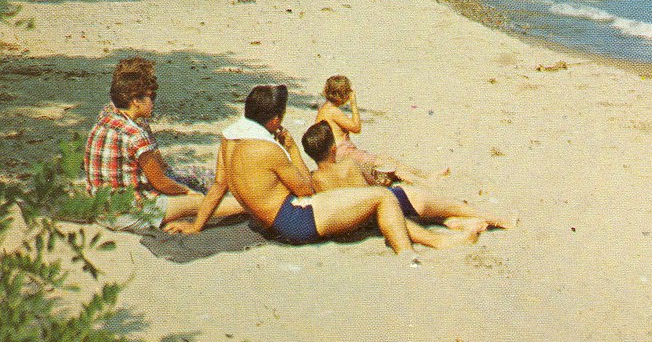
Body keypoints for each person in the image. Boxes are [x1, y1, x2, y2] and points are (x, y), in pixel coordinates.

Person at [165, 85, 479, 253]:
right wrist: (290, 149)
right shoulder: (268, 149)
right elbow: (304, 189)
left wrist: (197, 225)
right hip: (296, 220)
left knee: (363, 200)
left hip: (276, 215)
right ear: (273, 120)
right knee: (379, 198)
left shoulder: (230, 139)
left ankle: (443, 223)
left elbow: (219, 186)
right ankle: (427, 246)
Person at [83, 57, 245, 230]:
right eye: (151, 96)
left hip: (101, 206)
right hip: (128, 213)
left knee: (199, 184)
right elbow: (160, 181)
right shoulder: (135, 135)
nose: (154, 102)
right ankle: (250, 206)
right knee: (199, 203)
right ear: (136, 101)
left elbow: (157, 166)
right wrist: (186, 192)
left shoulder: (108, 114)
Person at [302, 121, 512, 233]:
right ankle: (498, 220)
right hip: (389, 204)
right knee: (452, 205)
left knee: (430, 212)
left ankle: (451, 222)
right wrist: (381, 181)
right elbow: (368, 194)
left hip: (363, 223)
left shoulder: (316, 180)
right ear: (333, 148)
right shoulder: (347, 165)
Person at [313, 74, 447, 184]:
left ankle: (425, 175)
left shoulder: (325, 109)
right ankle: (423, 181)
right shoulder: (332, 111)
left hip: (339, 152)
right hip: (343, 153)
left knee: (386, 158)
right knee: (385, 164)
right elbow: (356, 127)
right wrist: (354, 105)